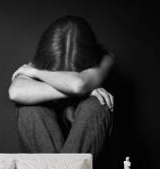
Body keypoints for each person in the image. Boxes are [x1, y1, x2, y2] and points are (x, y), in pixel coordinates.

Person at [9, 15, 114, 158]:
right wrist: (84, 90)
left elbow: (78, 84)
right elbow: (15, 92)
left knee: (97, 105)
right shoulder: (37, 63)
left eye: (72, 73)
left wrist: (36, 73)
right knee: (29, 108)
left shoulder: (104, 60)